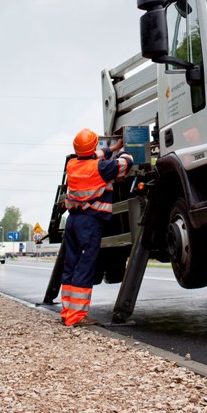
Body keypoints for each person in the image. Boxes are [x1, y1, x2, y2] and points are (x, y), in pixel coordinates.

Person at [60, 129, 133, 326]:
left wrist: (113, 148)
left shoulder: (73, 165)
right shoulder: (101, 169)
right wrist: (126, 150)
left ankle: (67, 311)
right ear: (93, 147)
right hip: (89, 222)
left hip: (73, 221)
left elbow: (94, 156)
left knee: (71, 264)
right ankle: (77, 317)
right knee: (85, 267)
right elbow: (125, 163)